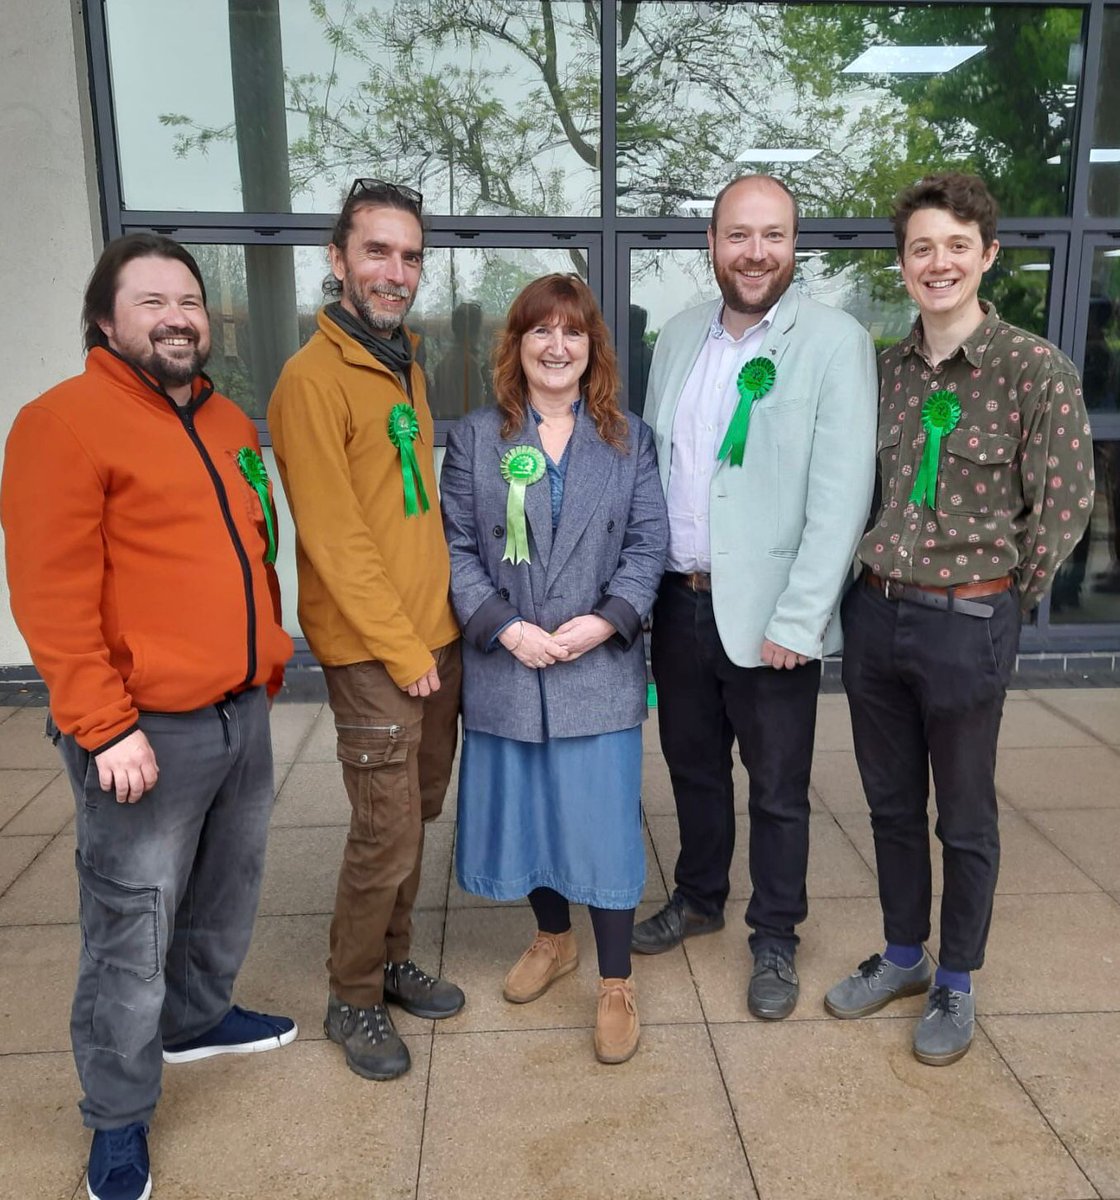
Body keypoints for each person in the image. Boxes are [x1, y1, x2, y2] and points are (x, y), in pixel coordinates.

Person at [0, 233, 296, 1200]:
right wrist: (102, 723)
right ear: (103, 320)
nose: (177, 318)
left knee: (225, 889)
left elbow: (253, 552)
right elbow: (50, 594)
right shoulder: (61, 423)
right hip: (141, 731)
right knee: (131, 927)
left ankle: (197, 1019)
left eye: (189, 301)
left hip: (240, 710)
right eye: (151, 302)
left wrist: (265, 663)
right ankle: (118, 1117)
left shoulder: (224, 420)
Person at [826, 172, 1094, 1065]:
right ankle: (905, 954)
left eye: (955, 246)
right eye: (920, 249)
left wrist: (997, 600)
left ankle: (956, 979)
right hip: (876, 617)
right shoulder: (884, 373)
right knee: (890, 804)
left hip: (967, 622)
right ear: (903, 265)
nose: (937, 263)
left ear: (988, 255)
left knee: (966, 816)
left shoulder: (1033, 370)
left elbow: (1063, 506)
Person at [633, 174, 878, 1022]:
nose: (755, 252)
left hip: (774, 616)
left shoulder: (836, 343)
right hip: (679, 602)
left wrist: (802, 619)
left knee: (777, 789)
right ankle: (700, 896)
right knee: (692, 768)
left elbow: (840, 497)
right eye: (738, 234)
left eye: (773, 235)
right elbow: (654, 467)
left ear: (794, 244)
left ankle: (775, 934)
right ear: (712, 243)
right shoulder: (678, 336)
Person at [440, 274, 668, 1064]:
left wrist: (606, 619)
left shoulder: (630, 440)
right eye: (542, 330)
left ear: (592, 348)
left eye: (573, 332)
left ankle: (615, 979)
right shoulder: (478, 438)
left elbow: (648, 544)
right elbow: (455, 546)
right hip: (512, 665)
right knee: (534, 813)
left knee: (602, 825)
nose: (557, 346)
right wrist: (504, 628)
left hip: (596, 664)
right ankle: (552, 937)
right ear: (518, 345)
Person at [268, 179, 464, 1084]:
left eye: (410, 255)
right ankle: (350, 993)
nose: (396, 271)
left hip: (433, 640)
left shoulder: (403, 364)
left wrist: (438, 638)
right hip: (378, 651)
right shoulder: (311, 381)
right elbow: (337, 540)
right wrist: (404, 649)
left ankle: (390, 959)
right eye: (377, 251)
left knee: (415, 817)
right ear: (338, 259)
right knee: (383, 830)